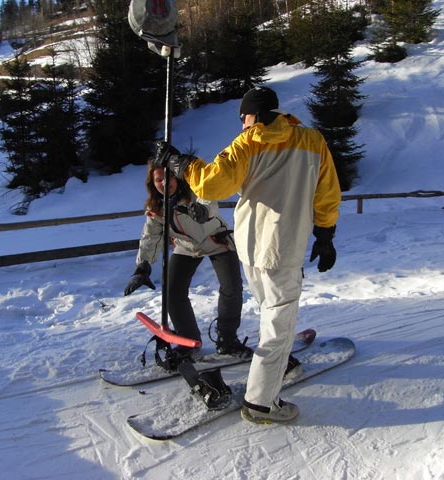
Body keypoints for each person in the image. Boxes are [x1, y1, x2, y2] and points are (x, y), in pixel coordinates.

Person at [157, 86, 341, 424]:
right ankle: (261, 401)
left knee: (271, 312)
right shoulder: (313, 141)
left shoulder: (248, 143)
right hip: (283, 248)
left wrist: (180, 163)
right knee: (278, 324)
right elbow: (327, 191)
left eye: (244, 116)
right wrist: (325, 233)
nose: (242, 123)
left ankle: (274, 364)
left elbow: (212, 185)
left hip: (251, 247)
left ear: (255, 113)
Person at [124, 161, 252, 364]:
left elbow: (208, 199)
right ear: (152, 183)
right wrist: (143, 266)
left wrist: (201, 211)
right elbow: (151, 237)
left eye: (169, 178)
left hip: (215, 240)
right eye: (159, 180)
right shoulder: (156, 208)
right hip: (186, 247)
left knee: (232, 288)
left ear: (177, 177)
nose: (165, 184)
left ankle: (228, 340)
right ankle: (188, 340)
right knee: (172, 292)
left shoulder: (195, 189)